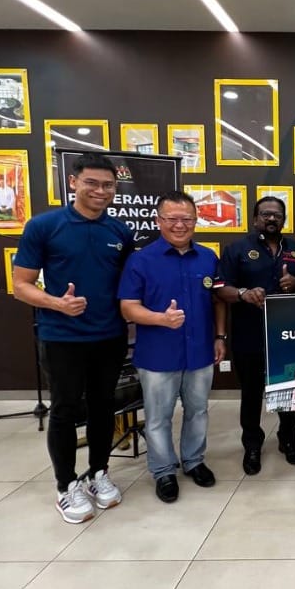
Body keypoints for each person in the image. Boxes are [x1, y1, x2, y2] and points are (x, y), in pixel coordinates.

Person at [12, 152, 133, 523]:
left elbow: (130, 284)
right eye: (92, 182)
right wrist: (57, 304)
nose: (100, 190)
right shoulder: (44, 226)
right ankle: (66, 486)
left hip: (109, 335)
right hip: (62, 337)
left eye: (108, 185)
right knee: (64, 410)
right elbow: (20, 285)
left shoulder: (120, 231)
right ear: (73, 182)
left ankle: (98, 473)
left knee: (103, 407)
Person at [119, 191, 226, 504]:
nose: (180, 225)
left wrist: (220, 337)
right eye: (172, 219)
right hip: (157, 355)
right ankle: (163, 470)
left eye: (187, 219)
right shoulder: (140, 260)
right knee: (158, 417)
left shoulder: (208, 257)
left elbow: (219, 300)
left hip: (200, 351)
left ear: (196, 220)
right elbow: (127, 307)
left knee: (198, 411)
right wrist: (160, 319)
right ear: (158, 221)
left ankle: (193, 461)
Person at [219, 196, 295, 473]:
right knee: (251, 393)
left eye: (277, 215)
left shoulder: (294, 249)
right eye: (266, 214)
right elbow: (221, 289)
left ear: (283, 220)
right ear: (255, 218)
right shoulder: (237, 249)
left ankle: (287, 438)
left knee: (289, 390)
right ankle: (252, 444)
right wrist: (243, 293)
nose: (271, 219)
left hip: (287, 335)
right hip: (249, 334)